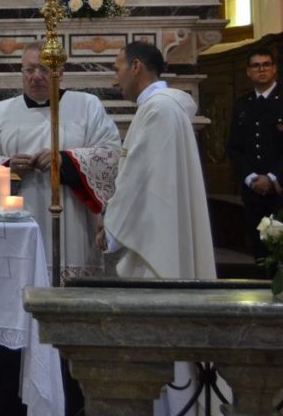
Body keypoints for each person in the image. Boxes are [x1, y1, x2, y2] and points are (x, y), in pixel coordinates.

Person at [0, 41, 120, 416]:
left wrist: (66, 161)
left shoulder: (87, 107)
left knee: (68, 324)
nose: (36, 76)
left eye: (44, 69)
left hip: (72, 236)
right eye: (28, 70)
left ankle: (73, 404)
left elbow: (111, 155)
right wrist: (4, 166)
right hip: (14, 240)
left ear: (61, 71)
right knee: (15, 321)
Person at [103, 41, 217, 416]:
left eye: (118, 66)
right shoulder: (166, 108)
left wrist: (112, 229)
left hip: (155, 240)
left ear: (137, 67)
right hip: (162, 230)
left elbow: (138, 181)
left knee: (160, 334)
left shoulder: (157, 112)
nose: (114, 76)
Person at [227, 47, 283, 262]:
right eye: (256, 66)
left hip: (279, 189)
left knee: (278, 250)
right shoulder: (243, 104)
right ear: (248, 71)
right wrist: (250, 178)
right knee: (259, 251)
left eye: (266, 64)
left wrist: (272, 177)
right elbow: (234, 147)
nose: (262, 70)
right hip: (253, 190)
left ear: (274, 69)